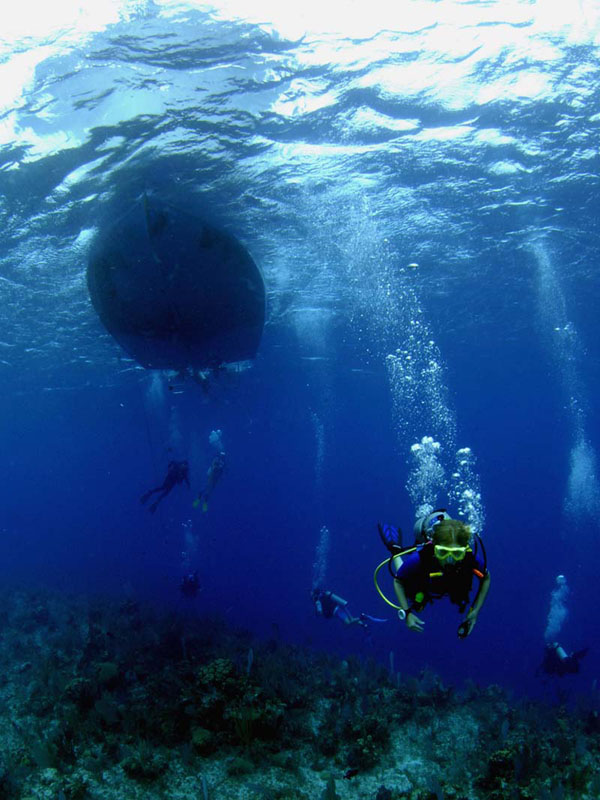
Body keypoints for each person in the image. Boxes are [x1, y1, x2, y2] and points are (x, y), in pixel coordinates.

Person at [376, 508, 490, 638]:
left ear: (464, 551)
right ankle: (395, 550)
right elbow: (398, 580)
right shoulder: (422, 557)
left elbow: (486, 578)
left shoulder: (470, 558)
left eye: (456, 554)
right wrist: (407, 613)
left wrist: (475, 611)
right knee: (413, 591)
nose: (450, 560)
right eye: (443, 552)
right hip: (425, 554)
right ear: (434, 548)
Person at [312, 588, 386, 629]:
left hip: (337, 612)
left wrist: (317, 612)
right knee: (351, 620)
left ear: (315, 594)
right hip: (339, 609)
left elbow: (320, 611)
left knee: (348, 622)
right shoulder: (325, 594)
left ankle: (364, 617)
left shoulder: (318, 601)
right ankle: (363, 624)